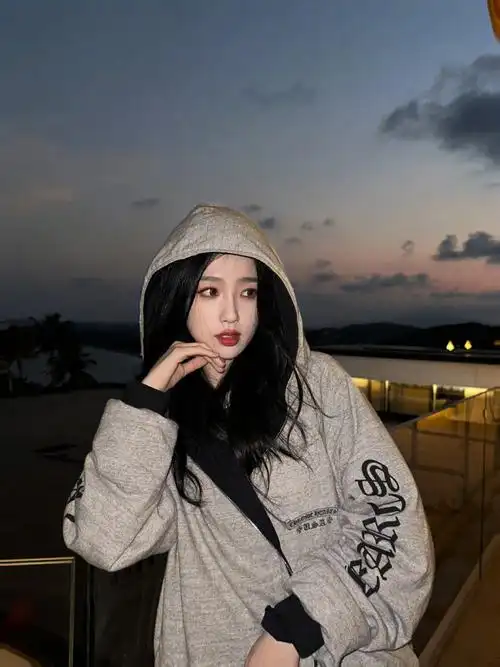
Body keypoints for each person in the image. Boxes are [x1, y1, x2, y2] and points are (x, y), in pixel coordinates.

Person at [63, 204, 434, 667]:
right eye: (209, 291)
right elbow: (104, 540)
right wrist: (145, 401)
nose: (232, 313)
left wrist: (299, 627)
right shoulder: (160, 425)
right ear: (177, 299)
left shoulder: (317, 385)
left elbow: (391, 518)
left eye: (248, 292)